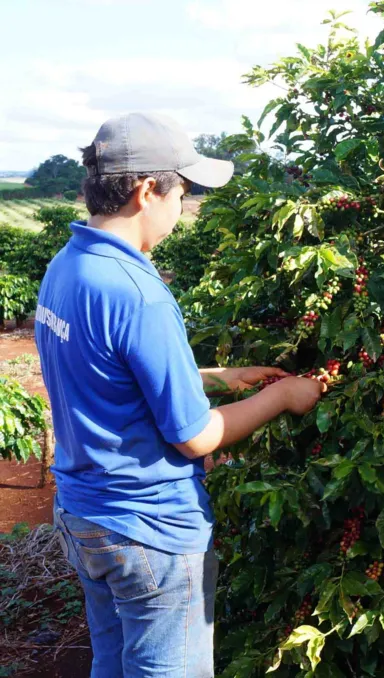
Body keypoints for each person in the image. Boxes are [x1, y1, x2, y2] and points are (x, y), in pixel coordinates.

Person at [37, 112, 326, 677]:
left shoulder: (67, 268)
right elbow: (196, 436)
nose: (184, 209)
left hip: (84, 515)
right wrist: (284, 397)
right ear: (148, 190)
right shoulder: (140, 293)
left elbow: (107, 372)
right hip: (149, 530)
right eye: (183, 192)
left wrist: (221, 377)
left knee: (114, 662)